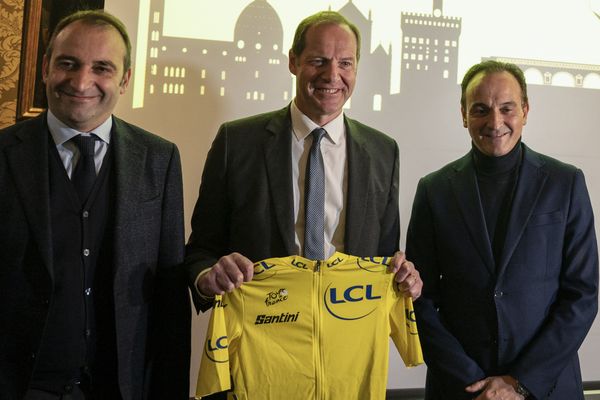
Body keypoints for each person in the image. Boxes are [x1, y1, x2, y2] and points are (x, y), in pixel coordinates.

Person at [0, 10, 190, 400]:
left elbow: (170, 295)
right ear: (45, 68)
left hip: (120, 388)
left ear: (124, 79)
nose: (82, 81)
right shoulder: (4, 154)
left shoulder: (160, 159)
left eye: (101, 67)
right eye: (68, 63)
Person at [185, 10, 422, 312]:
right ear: (293, 61)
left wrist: (404, 276)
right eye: (318, 61)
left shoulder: (383, 152)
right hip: (260, 336)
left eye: (345, 63)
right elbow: (201, 251)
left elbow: (384, 259)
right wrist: (209, 277)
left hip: (346, 336)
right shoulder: (237, 142)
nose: (332, 75)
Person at [407, 60, 599, 400]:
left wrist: (520, 382)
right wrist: (471, 383)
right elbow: (421, 300)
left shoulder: (566, 183)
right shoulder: (434, 190)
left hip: (547, 389)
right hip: (461, 390)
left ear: (525, 110)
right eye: (480, 110)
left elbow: (582, 295)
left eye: (506, 108)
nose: (495, 122)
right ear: (464, 114)